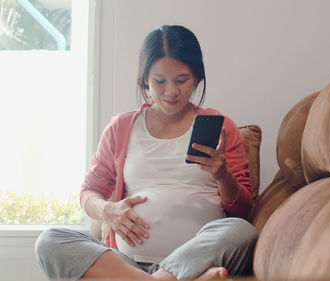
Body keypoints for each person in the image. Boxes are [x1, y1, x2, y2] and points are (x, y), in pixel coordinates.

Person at [35, 25, 258, 281]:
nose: (171, 91)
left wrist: (223, 175)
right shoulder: (121, 127)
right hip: (125, 263)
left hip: (196, 256)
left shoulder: (222, 127)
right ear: (144, 79)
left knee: (241, 231)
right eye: (159, 81)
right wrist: (107, 210)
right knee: (50, 240)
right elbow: (89, 192)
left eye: (181, 80)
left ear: (196, 77)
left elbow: (242, 211)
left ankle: (166, 276)